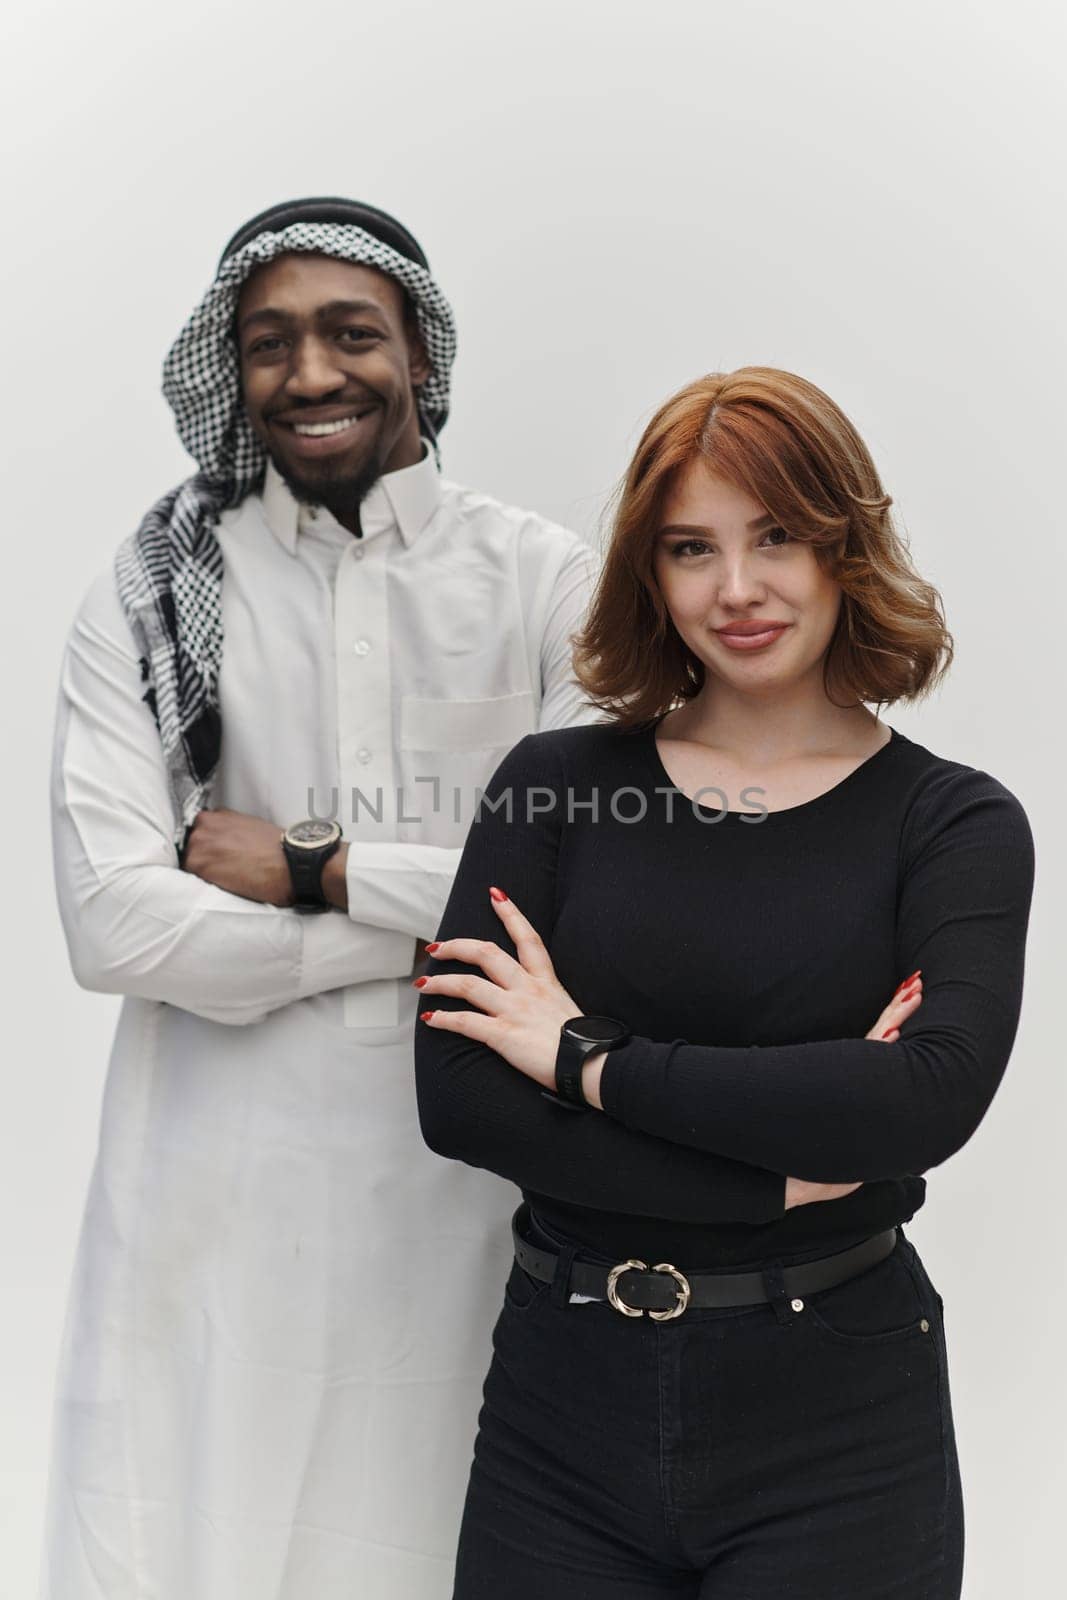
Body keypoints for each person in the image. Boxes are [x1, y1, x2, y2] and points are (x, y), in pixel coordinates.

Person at [44, 196, 602, 1600]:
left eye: (351, 332)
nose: (309, 375)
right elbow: (115, 925)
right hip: (212, 1184)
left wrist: (310, 871)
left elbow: (595, 900)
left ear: (420, 351)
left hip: (474, 1185)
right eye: (267, 342)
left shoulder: (545, 583)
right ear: (226, 370)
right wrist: (439, 919)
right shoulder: (157, 593)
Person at [413, 367, 1035, 1599]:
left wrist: (585, 1058)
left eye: (777, 538)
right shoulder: (553, 787)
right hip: (559, 1407)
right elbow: (460, 1101)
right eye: (689, 547)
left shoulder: (950, 821)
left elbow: (923, 1100)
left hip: (838, 1422)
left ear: (845, 544)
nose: (734, 589)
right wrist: (781, 1169)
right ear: (649, 573)